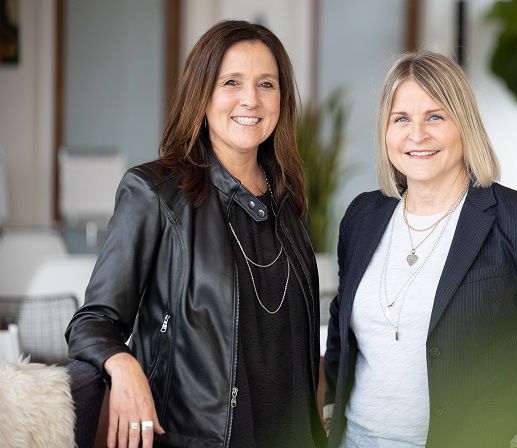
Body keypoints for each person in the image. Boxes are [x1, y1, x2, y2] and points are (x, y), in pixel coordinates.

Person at [322, 50, 517, 448]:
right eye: (401, 118)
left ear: (465, 124)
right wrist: (331, 404)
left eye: (435, 117)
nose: (417, 134)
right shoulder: (362, 215)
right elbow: (342, 321)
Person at [66, 20, 326, 448]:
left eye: (266, 84)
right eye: (231, 82)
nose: (251, 99)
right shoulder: (155, 193)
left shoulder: (287, 198)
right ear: (201, 94)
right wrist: (124, 366)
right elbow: (92, 323)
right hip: (198, 438)